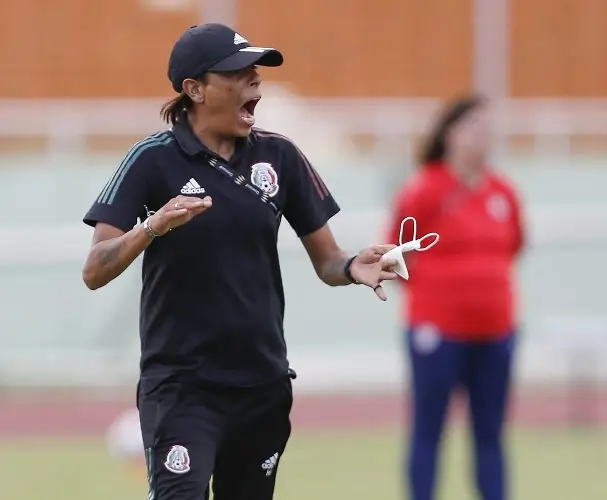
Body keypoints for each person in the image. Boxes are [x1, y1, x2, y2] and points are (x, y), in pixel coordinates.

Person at [81, 23, 398, 500]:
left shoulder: (281, 157)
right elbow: (94, 269)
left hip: (261, 386)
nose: (255, 81)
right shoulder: (152, 160)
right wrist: (152, 226)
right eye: (238, 73)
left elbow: (327, 260)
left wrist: (354, 266)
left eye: (256, 72)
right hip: (181, 388)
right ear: (195, 90)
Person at [387, 95, 525, 500]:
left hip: (496, 332)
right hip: (438, 333)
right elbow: (398, 254)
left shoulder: (503, 192)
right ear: (449, 133)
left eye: (487, 129)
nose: (481, 138)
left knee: (491, 432)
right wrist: (436, 302)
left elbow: (513, 245)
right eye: (472, 128)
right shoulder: (424, 190)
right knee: (429, 429)